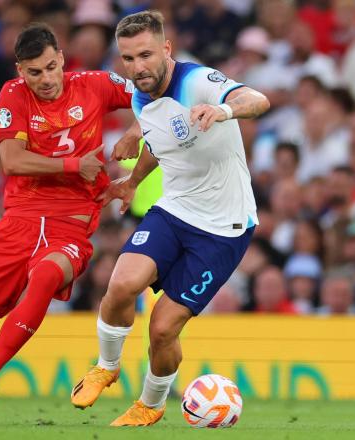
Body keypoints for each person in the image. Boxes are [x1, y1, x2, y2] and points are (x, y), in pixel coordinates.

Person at [0, 23, 138, 424]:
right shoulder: (12, 94)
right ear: (19, 70)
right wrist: (76, 164)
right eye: (34, 72)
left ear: (61, 59)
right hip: (19, 221)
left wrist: (135, 129)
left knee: (46, 274)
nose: (45, 79)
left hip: (71, 222)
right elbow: (12, 161)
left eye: (50, 67)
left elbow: (155, 96)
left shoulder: (94, 84)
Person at [71, 11, 269, 426]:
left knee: (162, 328)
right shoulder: (141, 95)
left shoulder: (198, 82)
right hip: (176, 208)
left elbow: (258, 100)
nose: (137, 67)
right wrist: (131, 182)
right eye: (128, 59)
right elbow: (163, 142)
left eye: (145, 55)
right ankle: (107, 366)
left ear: (166, 49)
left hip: (223, 228)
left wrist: (224, 112)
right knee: (122, 284)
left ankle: (151, 403)